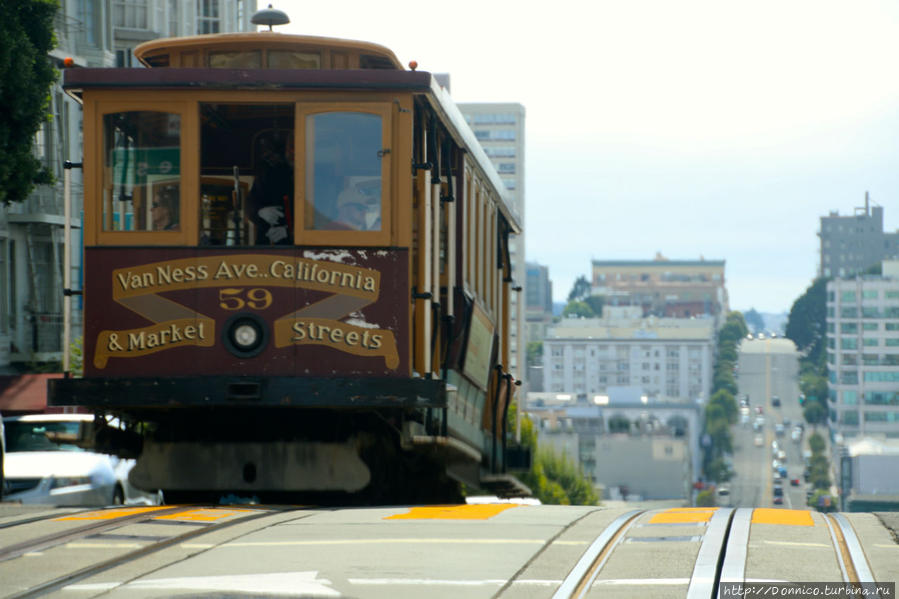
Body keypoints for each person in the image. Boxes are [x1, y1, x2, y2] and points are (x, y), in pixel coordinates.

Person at [248, 132, 293, 245]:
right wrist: (260, 211)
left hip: (302, 251)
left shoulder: (315, 176)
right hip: (266, 243)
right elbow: (252, 201)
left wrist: (290, 231)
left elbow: (320, 219)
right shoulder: (270, 170)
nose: (292, 152)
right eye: (290, 148)